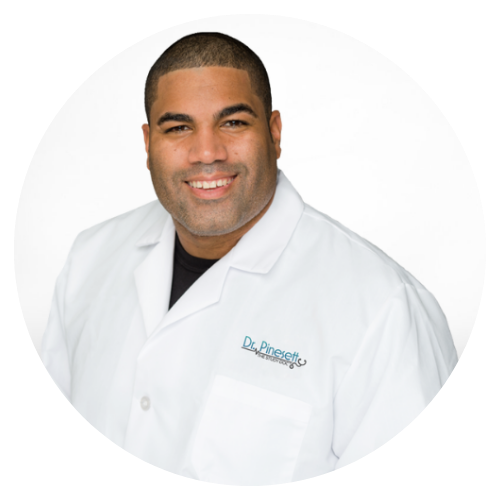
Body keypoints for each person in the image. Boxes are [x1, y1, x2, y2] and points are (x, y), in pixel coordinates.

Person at [41, 32, 458, 485]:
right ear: (148, 143)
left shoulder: (384, 309)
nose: (207, 153)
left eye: (233, 123)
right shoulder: (90, 260)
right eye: (178, 128)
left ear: (274, 133)